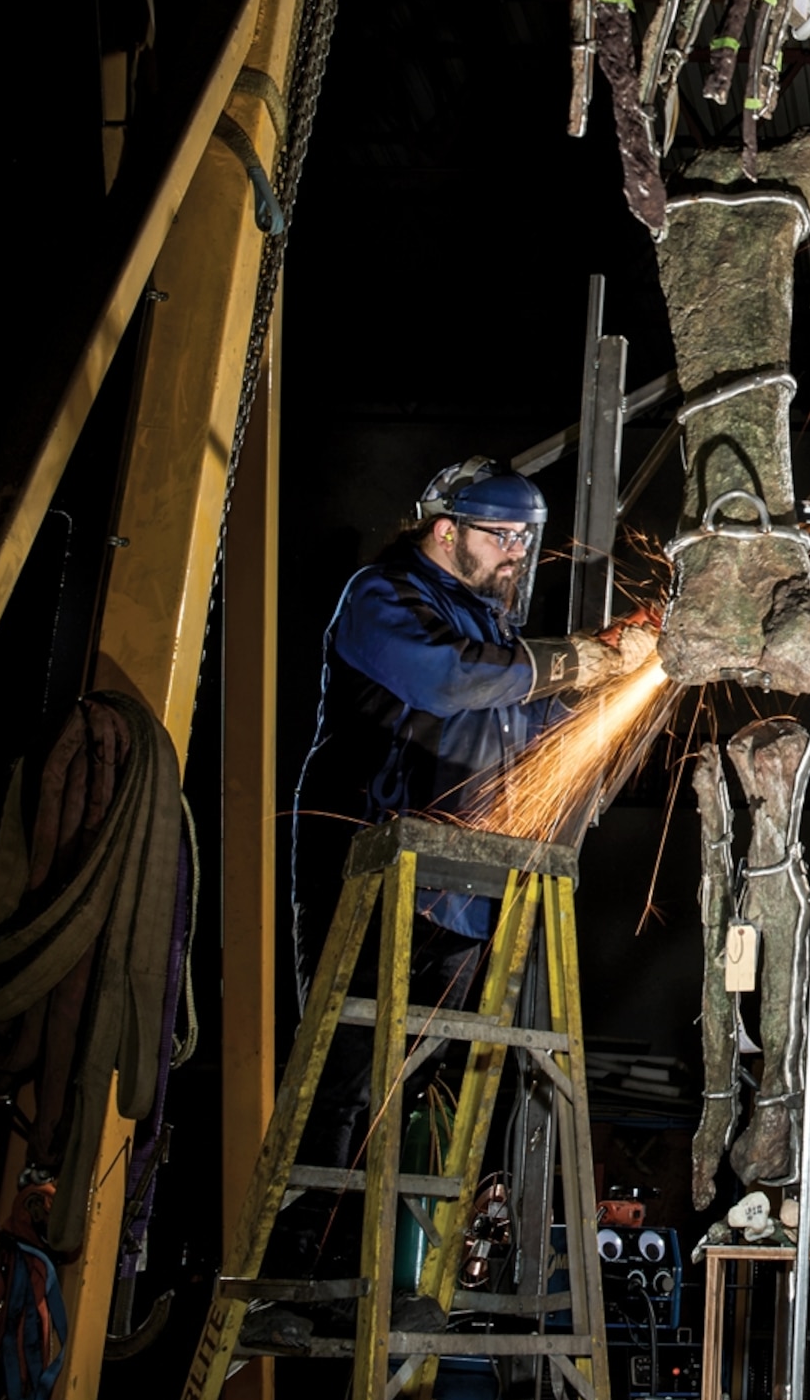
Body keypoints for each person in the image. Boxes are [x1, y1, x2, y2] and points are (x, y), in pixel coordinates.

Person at [259, 461, 655, 1333]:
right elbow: (449, 682)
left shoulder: (491, 629)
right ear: (445, 531)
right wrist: (573, 657)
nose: (517, 554)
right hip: (372, 873)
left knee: (423, 1087)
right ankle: (290, 1282)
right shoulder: (386, 599)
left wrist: (634, 674)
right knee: (348, 1079)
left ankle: (383, 1281)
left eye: (525, 540)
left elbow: (542, 731)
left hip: (460, 894)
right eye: (500, 537)